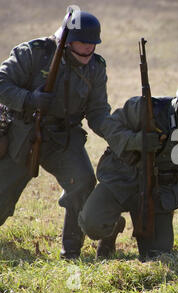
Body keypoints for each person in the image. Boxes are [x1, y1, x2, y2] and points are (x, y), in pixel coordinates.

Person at [0, 10, 111, 259]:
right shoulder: (34, 53)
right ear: (67, 41)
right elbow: (1, 83)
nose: (89, 48)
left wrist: (117, 134)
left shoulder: (96, 68)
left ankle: (71, 251)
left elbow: (98, 112)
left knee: (82, 181)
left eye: (93, 43)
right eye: (83, 42)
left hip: (64, 138)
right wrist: (30, 99)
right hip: (23, 135)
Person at [78, 77, 178, 261]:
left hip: (159, 193)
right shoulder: (147, 109)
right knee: (92, 223)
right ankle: (111, 230)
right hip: (122, 179)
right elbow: (109, 127)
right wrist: (138, 141)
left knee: (157, 256)